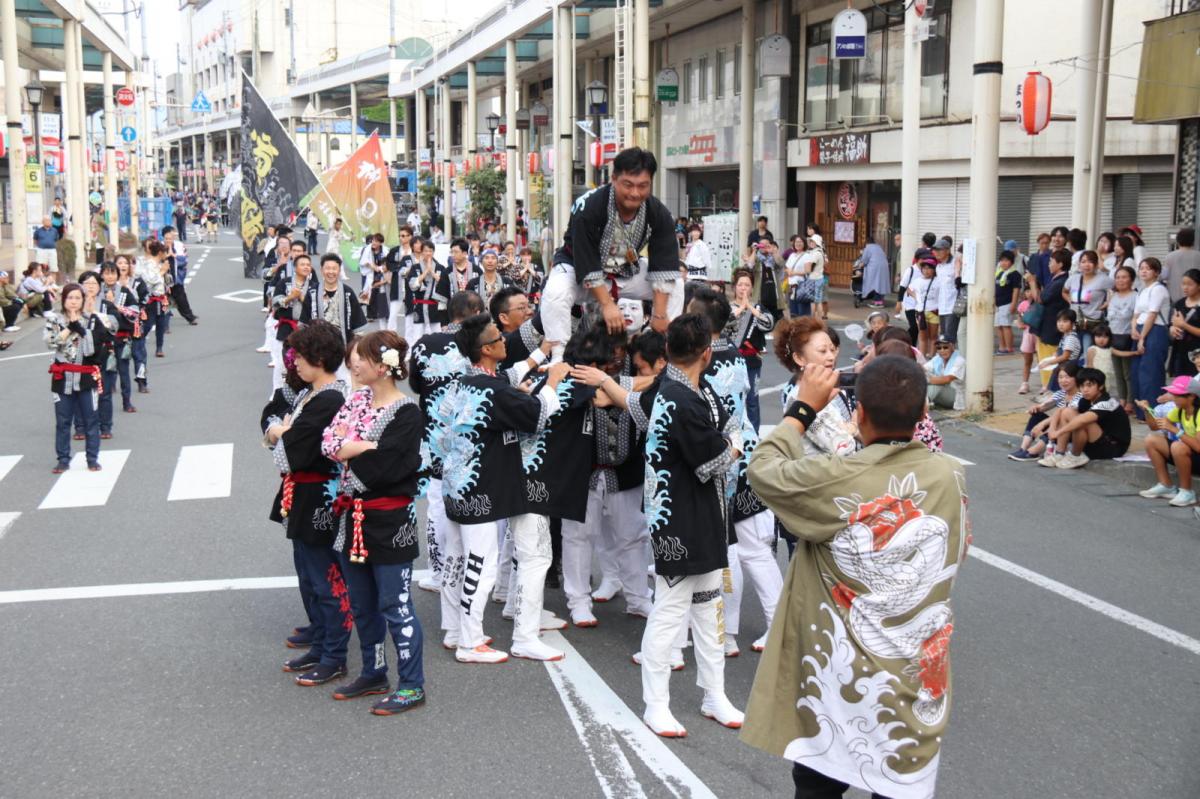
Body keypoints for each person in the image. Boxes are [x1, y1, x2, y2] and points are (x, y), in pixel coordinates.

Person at [744, 353, 966, 798]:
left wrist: (802, 409)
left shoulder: (836, 478)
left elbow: (763, 471)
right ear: (924, 412)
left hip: (838, 683)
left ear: (858, 414)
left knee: (819, 786)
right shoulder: (949, 474)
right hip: (916, 677)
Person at [430, 312, 570, 663]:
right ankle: (470, 642)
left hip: (456, 485)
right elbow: (537, 413)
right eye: (498, 338)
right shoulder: (491, 389)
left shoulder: (465, 383)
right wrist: (552, 380)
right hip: (481, 486)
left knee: (458, 560)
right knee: (481, 563)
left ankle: (454, 630)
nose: (504, 340)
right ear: (487, 350)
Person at [636, 313, 744, 737]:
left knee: (709, 607)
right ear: (706, 352)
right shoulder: (681, 399)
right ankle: (655, 703)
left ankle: (713, 693)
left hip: (700, 514)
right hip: (678, 518)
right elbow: (715, 458)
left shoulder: (689, 389)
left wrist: (727, 439)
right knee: (670, 611)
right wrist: (733, 445)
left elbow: (727, 426)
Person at [321, 330, 428, 714]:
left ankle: (412, 684)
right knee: (362, 604)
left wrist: (352, 450)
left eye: (362, 357)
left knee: (394, 603)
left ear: (385, 366)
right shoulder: (356, 400)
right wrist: (366, 447)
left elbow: (388, 468)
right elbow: (328, 443)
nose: (354, 362)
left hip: (390, 518)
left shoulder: (408, 412)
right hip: (354, 516)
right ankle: (374, 671)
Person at [687, 286, 783, 656]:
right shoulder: (734, 355)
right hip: (745, 454)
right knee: (752, 548)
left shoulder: (704, 360)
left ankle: (724, 633)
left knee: (733, 549)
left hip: (723, 461)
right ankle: (756, 627)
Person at [263, 321, 352, 687]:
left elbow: (290, 452)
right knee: (308, 573)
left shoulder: (330, 397)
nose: (293, 362)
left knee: (325, 578)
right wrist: (282, 433)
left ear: (318, 357)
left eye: (299, 355)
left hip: (320, 497)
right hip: (302, 493)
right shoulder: (311, 395)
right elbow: (285, 439)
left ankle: (335, 654)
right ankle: (321, 641)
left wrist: (281, 432)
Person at [543, 148, 681, 356]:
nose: (635, 193)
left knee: (676, 286)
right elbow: (586, 260)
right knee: (555, 293)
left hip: (624, 271)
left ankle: (665, 350)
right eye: (628, 185)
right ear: (614, 179)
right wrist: (607, 304)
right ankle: (558, 356)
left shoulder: (658, 213)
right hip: (578, 271)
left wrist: (659, 314)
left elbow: (663, 263)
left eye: (643, 186)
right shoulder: (588, 207)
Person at [407, 291, 484, 594]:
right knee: (478, 501)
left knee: (438, 503)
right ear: (475, 312)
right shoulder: (479, 344)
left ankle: (439, 572)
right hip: (475, 436)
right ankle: (472, 569)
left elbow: (415, 384)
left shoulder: (425, 343)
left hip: (435, 436)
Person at [45, 283, 112, 473]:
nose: (73, 302)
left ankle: (92, 458)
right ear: (63, 300)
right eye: (69, 298)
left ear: (83, 301)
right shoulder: (54, 320)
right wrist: (69, 328)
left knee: (91, 419)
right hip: (62, 377)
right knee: (63, 421)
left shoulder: (92, 320)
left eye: (77, 298)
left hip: (86, 376)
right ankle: (63, 459)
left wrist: (81, 329)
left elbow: (92, 350)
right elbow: (50, 342)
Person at [1047, 367, 1131, 469]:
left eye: (1089, 385)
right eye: (1082, 386)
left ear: (1101, 386)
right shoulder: (1085, 400)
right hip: (1096, 442)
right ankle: (1059, 453)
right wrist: (1051, 429)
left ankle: (1075, 455)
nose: (1085, 390)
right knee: (1068, 411)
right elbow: (1061, 410)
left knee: (1082, 421)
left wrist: (1058, 433)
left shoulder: (1107, 403)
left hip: (1113, 447)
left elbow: (1082, 420)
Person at [725, 268, 775, 431]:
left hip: (753, 361)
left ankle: (754, 434)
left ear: (752, 288)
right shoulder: (728, 307)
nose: (743, 288)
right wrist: (741, 308)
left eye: (747, 285)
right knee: (732, 398)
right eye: (740, 285)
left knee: (752, 399)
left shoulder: (759, 308)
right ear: (734, 287)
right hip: (732, 361)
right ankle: (733, 433)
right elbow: (725, 326)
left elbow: (768, 325)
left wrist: (751, 308)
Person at [1139, 375, 1200, 506]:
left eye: (1178, 395)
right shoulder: (1179, 410)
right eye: (1174, 394)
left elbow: (1199, 446)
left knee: (1178, 446)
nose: (1174, 398)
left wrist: (1175, 430)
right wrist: (1147, 410)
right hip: (1191, 454)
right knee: (1151, 440)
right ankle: (1166, 485)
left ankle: (1187, 492)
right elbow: (1155, 426)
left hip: (1196, 453)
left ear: (1192, 396)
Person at [1009, 361, 1083, 462]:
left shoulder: (1081, 396)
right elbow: (1046, 405)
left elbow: (1063, 414)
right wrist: (1037, 408)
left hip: (1070, 431)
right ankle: (1023, 448)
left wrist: (1042, 424)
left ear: (1076, 378)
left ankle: (1035, 451)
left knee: (1057, 423)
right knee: (1037, 414)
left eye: (1067, 377)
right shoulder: (1061, 393)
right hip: (1058, 425)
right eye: (1060, 377)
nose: (1063, 381)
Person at [1130, 258, 1172, 418]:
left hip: (1155, 330)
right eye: (1141, 268)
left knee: (1151, 372)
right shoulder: (1142, 290)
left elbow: (1153, 314)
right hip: (1141, 329)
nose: (1144, 271)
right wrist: (1134, 329)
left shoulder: (1158, 289)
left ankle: (1152, 412)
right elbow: (1136, 314)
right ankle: (1141, 411)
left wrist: (1142, 338)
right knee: (1137, 371)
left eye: (1148, 268)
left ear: (1156, 272)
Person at [98, 261, 140, 415]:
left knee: (123, 371)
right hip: (102, 340)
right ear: (102, 275)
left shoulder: (124, 291)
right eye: (107, 273)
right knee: (104, 373)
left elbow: (135, 312)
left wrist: (116, 306)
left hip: (121, 338)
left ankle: (126, 401)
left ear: (117, 274)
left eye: (113, 273)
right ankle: (103, 402)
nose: (110, 276)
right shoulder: (97, 292)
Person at [300, 254, 367, 348]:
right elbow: (304, 323)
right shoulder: (312, 292)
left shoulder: (347, 292)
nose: (331, 272)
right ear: (322, 270)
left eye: (334, 268)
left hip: (343, 346)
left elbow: (358, 322)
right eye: (327, 268)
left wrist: (354, 347)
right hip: (317, 348)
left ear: (339, 270)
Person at [1035, 249, 1072, 387]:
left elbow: (1042, 299)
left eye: (1051, 262)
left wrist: (1033, 283)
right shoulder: (1057, 280)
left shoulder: (1060, 282)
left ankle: (1049, 387)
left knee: (1049, 359)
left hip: (1051, 328)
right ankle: (1048, 386)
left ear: (1060, 264)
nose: (1049, 264)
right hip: (1050, 326)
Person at [1106, 264, 1139, 411]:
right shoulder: (1113, 297)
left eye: (1124, 277)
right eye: (1118, 277)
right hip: (1113, 336)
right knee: (1117, 372)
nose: (1120, 280)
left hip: (1127, 337)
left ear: (1131, 279)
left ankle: (1131, 401)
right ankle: (1122, 399)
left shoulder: (1136, 296)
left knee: (1128, 373)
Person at [1063, 250, 1110, 354]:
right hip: (1074, 323)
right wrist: (1070, 301)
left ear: (1096, 264)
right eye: (1083, 262)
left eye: (1090, 262)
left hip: (1092, 323)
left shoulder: (1103, 279)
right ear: (1079, 264)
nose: (1086, 265)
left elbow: (1117, 290)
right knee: (1072, 353)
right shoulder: (1073, 279)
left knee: (1087, 352)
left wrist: (1107, 303)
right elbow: (1064, 291)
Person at [135, 239, 172, 361]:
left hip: (161, 298)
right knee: (148, 323)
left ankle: (159, 347)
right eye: (164, 252)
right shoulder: (149, 264)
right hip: (151, 299)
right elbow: (149, 280)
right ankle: (136, 343)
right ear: (160, 252)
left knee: (161, 323)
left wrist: (165, 274)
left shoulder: (159, 264)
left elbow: (165, 280)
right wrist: (162, 271)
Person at [405, 237, 444, 344]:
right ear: (421, 252)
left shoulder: (440, 268)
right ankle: (415, 357)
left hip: (435, 306)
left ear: (433, 252)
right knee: (417, 335)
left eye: (430, 251)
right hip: (419, 306)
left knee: (437, 334)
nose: (428, 253)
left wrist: (432, 272)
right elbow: (413, 285)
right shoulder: (415, 267)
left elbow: (444, 285)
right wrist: (426, 271)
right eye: (426, 251)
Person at [162, 226, 198, 325]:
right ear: (163, 238)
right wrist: (165, 256)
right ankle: (164, 325)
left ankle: (190, 317)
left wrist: (174, 256)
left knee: (181, 298)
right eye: (167, 238)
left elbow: (184, 259)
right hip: (162, 279)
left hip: (176, 278)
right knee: (162, 301)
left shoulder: (178, 245)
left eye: (171, 237)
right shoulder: (159, 247)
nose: (169, 239)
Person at [1168, 268, 1200, 377]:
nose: (1185, 287)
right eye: (1183, 284)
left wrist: (1183, 325)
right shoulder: (1179, 303)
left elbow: (1181, 324)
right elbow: (1172, 324)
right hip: (1180, 351)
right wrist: (1172, 329)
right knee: (1181, 387)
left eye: (1190, 284)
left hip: (1197, 354)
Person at [925, 335, 966, 410]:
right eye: (939, 348)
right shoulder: (938, 358)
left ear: (952, 347)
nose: (942, 350)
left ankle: (919, 405)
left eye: (945, 347)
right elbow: (923, 369)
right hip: (944, 394)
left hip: (955, 397)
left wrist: (926, 380)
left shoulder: (959, 360)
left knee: (936, 385)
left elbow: (947, 379)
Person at [994, 250, 1022, 354]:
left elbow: (1016, 290)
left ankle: (1009, 348)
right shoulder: (999, 272)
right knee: (998, 326)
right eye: (1001, 260)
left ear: (1011, 262)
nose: (1003, 263)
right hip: (998, 303)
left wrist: (1014, 304)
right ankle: (1002, 347)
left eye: (1006, 260)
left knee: (1006, 325)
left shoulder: (1015, 274)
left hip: (1007, 303)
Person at [1166, 228, 1200, 302]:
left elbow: (1164, 275)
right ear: (1194, 241)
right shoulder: (1198, 255)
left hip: (1175, 298)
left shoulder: (1170, 257)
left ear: (1178, 241)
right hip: (1196, 298)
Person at [683, 223, 712, 304]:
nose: (695, 233)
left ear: (700, 233)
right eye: (693, 231)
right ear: (691, 233)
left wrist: (708, 276)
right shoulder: (689, 244)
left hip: (699, 276)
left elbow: (707, 260)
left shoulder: (702, 245)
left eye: (697, 231)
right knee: (688, 300)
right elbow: (687, 259)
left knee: (699, 300)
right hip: (690, 275)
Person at [855, 240, 889, 307]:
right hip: (884, 267)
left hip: (874, 268)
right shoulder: (879, 247)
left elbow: (864, 260)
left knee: (875, 284)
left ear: (866, 243)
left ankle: (877, 303)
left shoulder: (868, 247)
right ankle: (880, 301)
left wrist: (860, 265)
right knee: (880, 284)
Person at [33, 217, 60, 282]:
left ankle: (53, 283)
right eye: (47, 220)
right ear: (43, 222)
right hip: (41, 250)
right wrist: (41, 245)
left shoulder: (54, 230)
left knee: (53, 268)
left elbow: (56, 239)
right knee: (41, 267)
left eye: (50, 220)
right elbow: (35, 240)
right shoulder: (38, 231)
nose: (49, 222)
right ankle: (41, 282)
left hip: (52, 250)